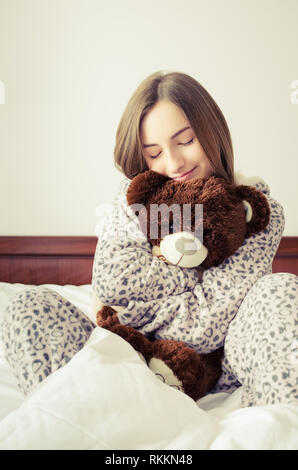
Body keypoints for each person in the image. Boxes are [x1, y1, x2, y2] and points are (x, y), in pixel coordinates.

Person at [2, 71, 297, 407]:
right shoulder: (134, 200)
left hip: (221, 372)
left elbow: (206, 328)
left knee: (281, 289)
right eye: (154, 153)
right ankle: (78, 421)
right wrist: (194, 271)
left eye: (185, 141)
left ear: (212, 132)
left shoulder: (255, 209)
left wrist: (153, 273)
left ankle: (277, 421)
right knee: (29, 307)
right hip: (130, 359)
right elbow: (113, 284)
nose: (173, 163)